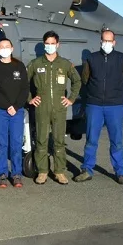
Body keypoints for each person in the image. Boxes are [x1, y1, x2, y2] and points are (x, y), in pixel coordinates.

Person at [75, 29, 123, 184]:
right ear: (100, 42)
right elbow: (85, 79)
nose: (107, 43)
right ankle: (87, 170)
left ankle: (120, 172)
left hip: (115, 106)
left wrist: (122, 94)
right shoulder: (91, 58)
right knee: (91, 139)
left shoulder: (122, 59)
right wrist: (93, 93)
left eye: (109, 41)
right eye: (104, 40)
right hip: (94, 105)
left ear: (114, 42)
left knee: (116, 140)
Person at [26, 31, 81, 185]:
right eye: (47, 44)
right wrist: (30, 99)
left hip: (59, 107)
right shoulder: (35, 64)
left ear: (58, 44)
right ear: (44, 45)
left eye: (52, 43)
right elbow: (23, 82)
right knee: (41, 140)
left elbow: (77, 81)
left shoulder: (64, 64)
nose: (50, 46)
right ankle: (43, 171)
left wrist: (71, 99)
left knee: (58, 141)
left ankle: (59, 171)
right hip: (41, 107)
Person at [0, 38, 30, 188]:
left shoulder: (19, 66)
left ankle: (16, 174)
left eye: (7, 46)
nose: (4, 49)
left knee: (16, 143)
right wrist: (7, 106)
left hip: (17, 111)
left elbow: (25, 88)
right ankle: (1, 174)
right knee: (2, 143)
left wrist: (16, 106)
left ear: (12, 48)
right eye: (1, 47)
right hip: (0, 110)